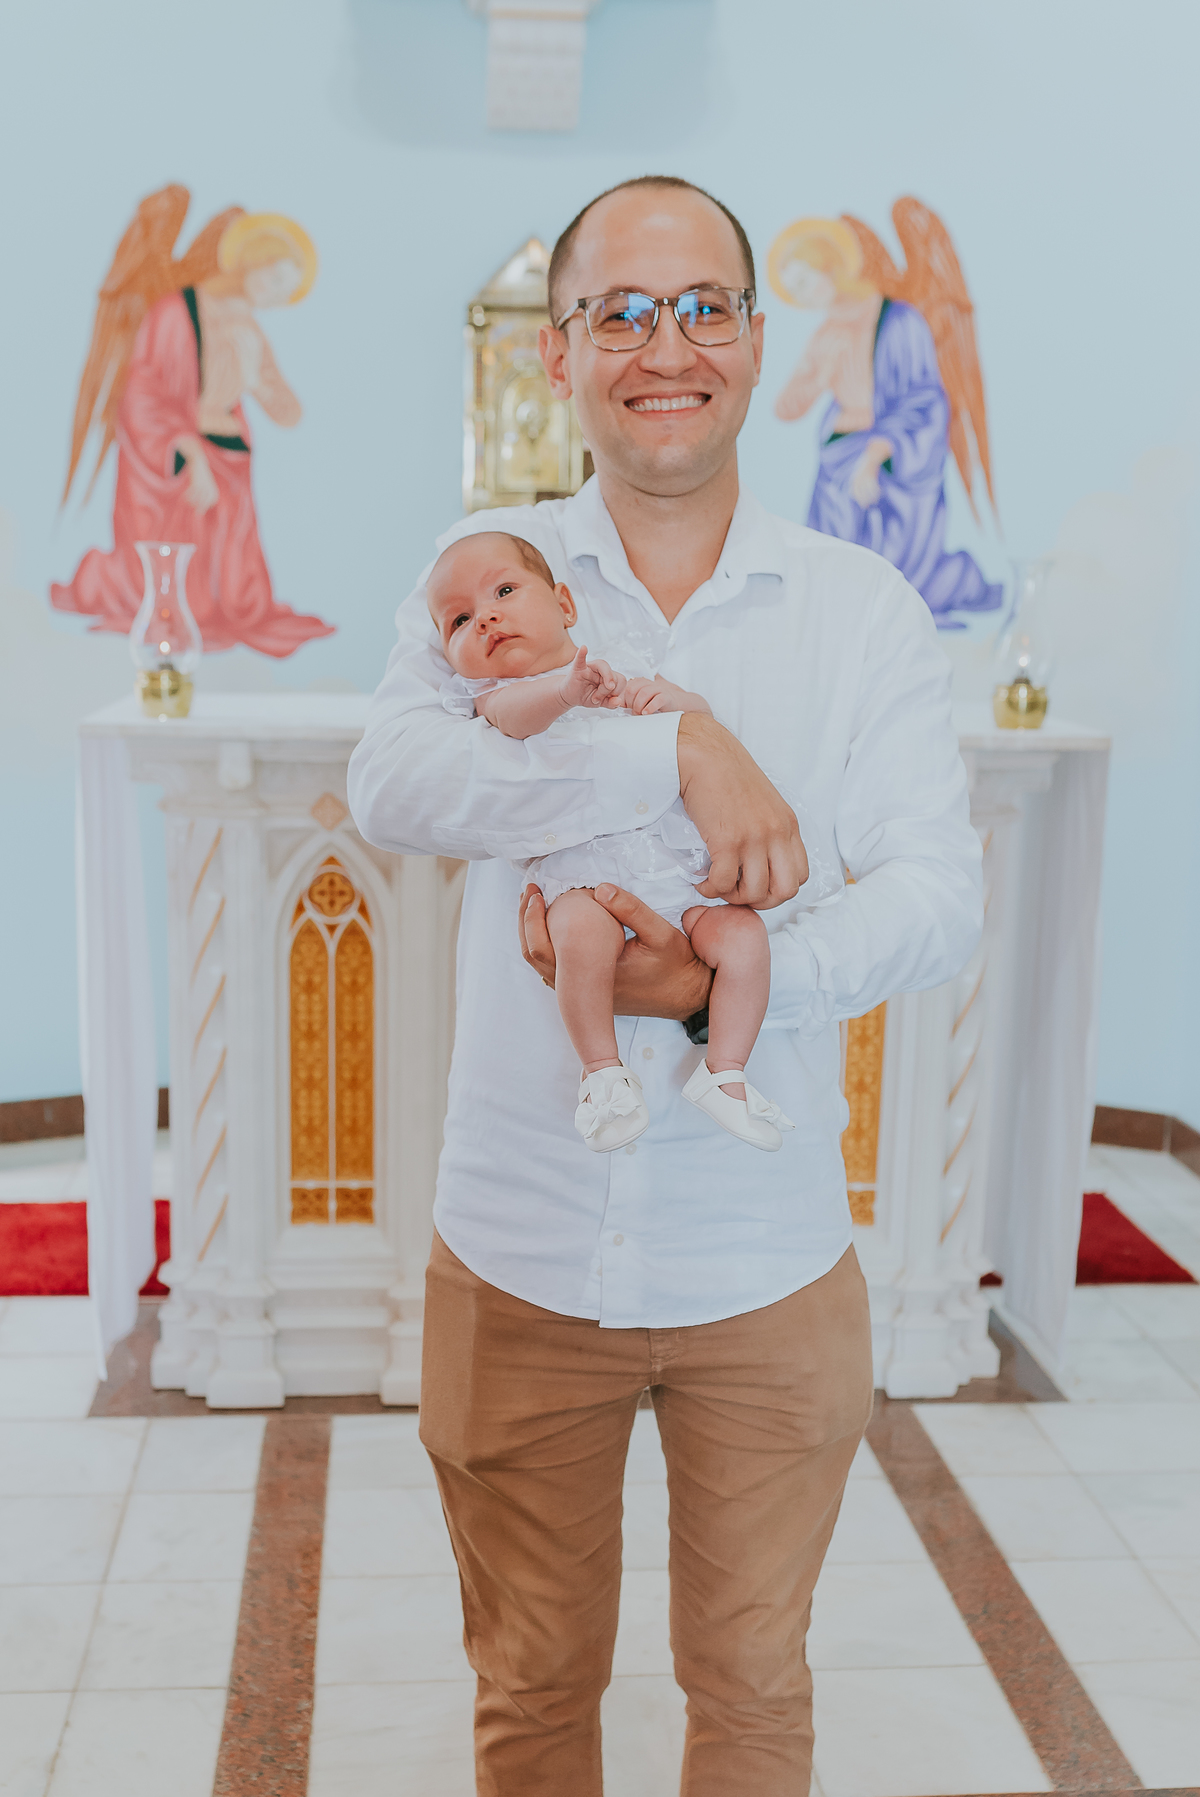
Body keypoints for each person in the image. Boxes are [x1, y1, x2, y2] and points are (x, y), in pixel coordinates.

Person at [348, 174, 983, 1795]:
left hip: (764, 1270)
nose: (665, 345)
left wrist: (703, 992)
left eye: (702, 305)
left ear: (757, 342)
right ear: (557, 355)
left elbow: (936, 898)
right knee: (533, 1686)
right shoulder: (486, 581)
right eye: (619, 311)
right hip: (518, 1248)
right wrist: (678, 741)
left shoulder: (861, 614)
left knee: (754, 1680)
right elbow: (396, 784)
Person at [426, 528, 797, 1153]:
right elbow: (518, 719)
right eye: (459, 620)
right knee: (581, 934)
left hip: (672, 878)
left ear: (564, 606)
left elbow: (699, 737)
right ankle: (602, 1075)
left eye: (505, 591)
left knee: (743, 937)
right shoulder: (495, 700)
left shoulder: (618, 666)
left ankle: (725, 1072)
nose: (484, 616)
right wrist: (566, 692)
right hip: (586, 882)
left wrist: (680, 705)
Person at [53, 189, 334, 656]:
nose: (276, 297)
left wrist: (256, 382)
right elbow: (140, 393)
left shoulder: (249, 328)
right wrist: (188, 449)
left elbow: (289, 412)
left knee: (233, 598)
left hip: (230, 457)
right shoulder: (175, 313)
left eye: (286, 293)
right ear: (253, 261)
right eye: (276, 280)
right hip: (175, 466)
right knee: (179, 593)